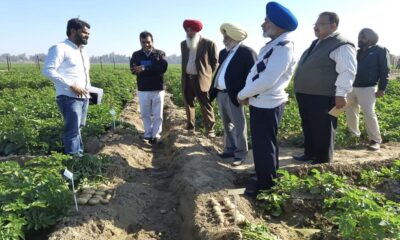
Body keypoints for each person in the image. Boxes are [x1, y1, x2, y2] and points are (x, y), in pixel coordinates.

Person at [236, 2, 298, 196]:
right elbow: (258, 75)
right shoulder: (274, 45)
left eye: (266, 21)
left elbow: (268, 79)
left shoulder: (284, 48)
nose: (262, 24)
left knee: (265, 145)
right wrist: (249, 93)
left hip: (268, 103)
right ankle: (265, 176)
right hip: (261, 101)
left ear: (277, 24)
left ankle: (266, 186)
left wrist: (243, 94)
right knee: (264, 144)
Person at [293, 12, 357, 164]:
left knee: (323, 127)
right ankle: (310, 153)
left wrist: (341, 94)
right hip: (306, 93)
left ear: (333, 25)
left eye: (320, 24)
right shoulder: (317, 42)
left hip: (323, 94)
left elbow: (347, 70)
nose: (316, 27)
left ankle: (323, 159)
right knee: (308, 124)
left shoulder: (341, 44)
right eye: (315, 24)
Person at [209, 23, 256, 166]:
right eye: (224, 36)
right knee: (226, 124)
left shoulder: (247, 52)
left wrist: (246, 94)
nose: (224, 39)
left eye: (227, 36)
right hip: (221, 94)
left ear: (235, 37)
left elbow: (252, 75)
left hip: (235, 95)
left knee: (239, 125)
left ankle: (241, 154)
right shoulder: (224, 53)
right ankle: (229, 148)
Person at [43, 18, 91, 155]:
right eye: (84, 32)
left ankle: (78, 156)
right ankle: (73, 161)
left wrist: (90, 92)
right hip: (69, 97)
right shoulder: (60, 48)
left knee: (78, 129)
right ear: (73, 31)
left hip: (83, 97)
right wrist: (71, 85)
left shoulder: (82, 52)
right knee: (72, 130)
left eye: (88, 34)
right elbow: (48, 70)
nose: (87, 35)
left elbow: (82, 75)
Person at [345, 28, 390, 151]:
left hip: (368, 87)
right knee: (351, 111)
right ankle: (354, 136)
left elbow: (385, 70)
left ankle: (375, 140)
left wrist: (382, 88)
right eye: (359, 37)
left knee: (369, 113)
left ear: (371, 38)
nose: (360, 39)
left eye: (363, 37)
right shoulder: (357, 52)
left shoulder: (380, 50)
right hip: (351, 87)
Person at [181, 19, 218, 138]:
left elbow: (214, 62)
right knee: (189, 102)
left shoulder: (208, 43)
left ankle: (210, 129)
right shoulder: (183, 44)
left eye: (191, 30)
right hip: (187, 78)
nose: (188, 32)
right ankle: (190, 126)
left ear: (196, 31)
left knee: (205, 103)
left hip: (201, 79)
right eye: (187, 30)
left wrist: (206, 74)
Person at [130, 31, 168, 144]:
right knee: (145, 113)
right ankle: (147, 134)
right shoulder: (136, 55)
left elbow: (163, 68)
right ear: (140, 42)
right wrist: (152, 67)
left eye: (148, 42)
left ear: (152, 41)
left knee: (158, 114)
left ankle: (156, 135)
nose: (146, 44)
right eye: (143, 42)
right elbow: (134, 69)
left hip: (157, 88)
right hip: (143, 88)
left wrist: (145, 68)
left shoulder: (159, 53)